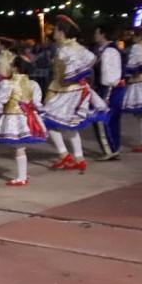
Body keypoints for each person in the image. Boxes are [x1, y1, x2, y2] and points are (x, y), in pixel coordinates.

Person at [43, 15, 108, 173]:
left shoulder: (65, 49)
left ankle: (64, 154)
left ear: (61, 32)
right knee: (72, 125)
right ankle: (79, 158)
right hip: (78, 90)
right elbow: (92, 60)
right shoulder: (77, 47)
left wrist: (68, 79)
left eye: (56, 30)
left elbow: (74, 72)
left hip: (66, 91)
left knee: (46, 120)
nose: (54, 33)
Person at [0, 55, 47, 186]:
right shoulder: (33, 84)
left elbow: (0, 100)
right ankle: (23, 173)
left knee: (19, 147)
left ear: (15, 68)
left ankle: (21, 177)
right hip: (28, 117)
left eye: (11, 65)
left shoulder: (8, 84)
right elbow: (37, 102)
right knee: (20, 147)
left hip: (14, 118)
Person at [93, 25, 125, 161]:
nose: (95, 35)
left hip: (109, 88)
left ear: (103, 34)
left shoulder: (109, 51)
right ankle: (114, 148)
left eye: (96, 33)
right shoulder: (107, 50)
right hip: (113, 88)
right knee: (113, 120)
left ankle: (109, 149)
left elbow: (109, 75)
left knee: (101, 118)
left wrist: (104, 90)